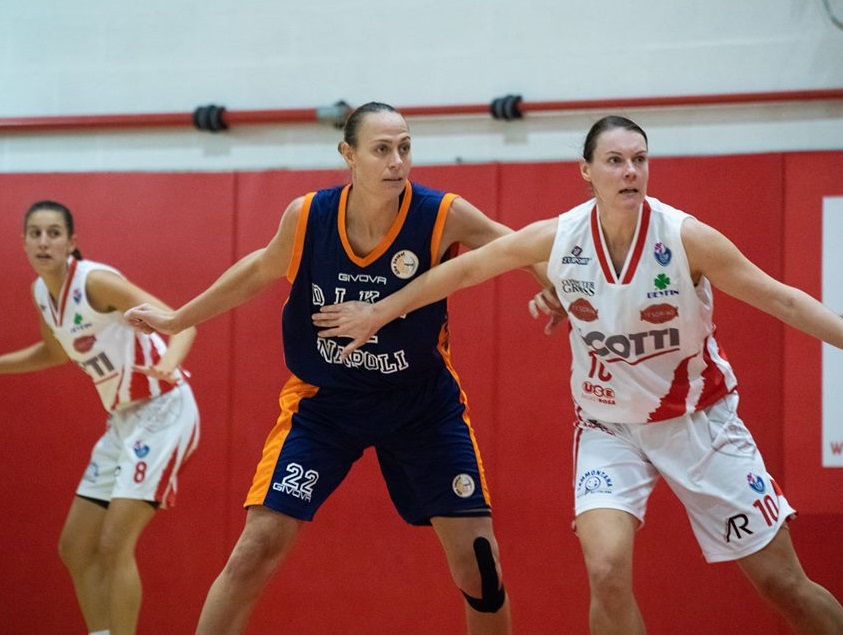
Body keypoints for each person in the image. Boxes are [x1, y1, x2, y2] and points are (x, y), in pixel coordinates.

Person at [311, 115, 843, 634]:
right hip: (608, 429)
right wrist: (380, 311)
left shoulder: (686, 239)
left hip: (698, 422)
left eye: (639, 159)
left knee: (783, 585)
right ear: (586, 170)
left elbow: (783, 300)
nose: (630, 171)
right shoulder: (561, 238)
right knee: (606, 570)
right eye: (615, 160)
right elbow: (465, 269)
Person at [125, 101, 545, 634]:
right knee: (254, 550)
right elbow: (258, 268)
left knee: (479, 565)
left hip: (421, 406)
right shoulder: (309, 217)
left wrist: (552, 286)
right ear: (348, 154)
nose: (397, 161)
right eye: (381, 149)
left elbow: (516, 244)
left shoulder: (441, 214)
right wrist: (177, 318)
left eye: (405, 148)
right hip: (326, 405)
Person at [0, 200, 200, 635]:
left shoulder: (96, 282)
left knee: (113, 544)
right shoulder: (42, 294)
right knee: (75, 546)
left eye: (54, 233)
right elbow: (54, 352)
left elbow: (182, 323)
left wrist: (169, 363)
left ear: (71, 242)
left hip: (164, 408)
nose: (44, 242)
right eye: (35, 233)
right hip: (124, 419)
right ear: (23, 242)